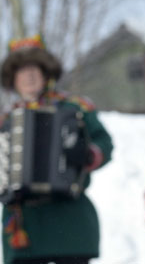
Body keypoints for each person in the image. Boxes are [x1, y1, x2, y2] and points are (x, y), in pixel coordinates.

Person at [0, 35, 113, 264]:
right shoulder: (5, 119)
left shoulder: (75, 108)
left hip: (69, 220)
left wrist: (88, 153)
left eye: (34, 69)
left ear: (46, 73)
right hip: (25, 225)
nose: (29, 76)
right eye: (22, 71)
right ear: (13, 79)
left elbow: (104, 143)